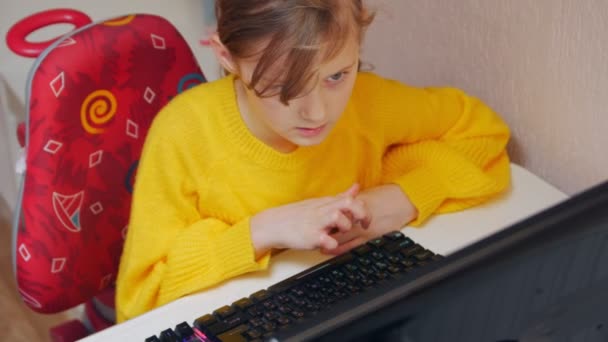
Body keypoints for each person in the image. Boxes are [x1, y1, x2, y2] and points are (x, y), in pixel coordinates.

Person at [115, 0, 511, 322]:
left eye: (337, 75)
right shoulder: (184, 134)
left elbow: (483, 135)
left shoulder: (367, 104)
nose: (318, 112)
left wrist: (401, 197)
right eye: (284, 85)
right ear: (227, 56)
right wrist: (261, 231)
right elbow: (140, 304)